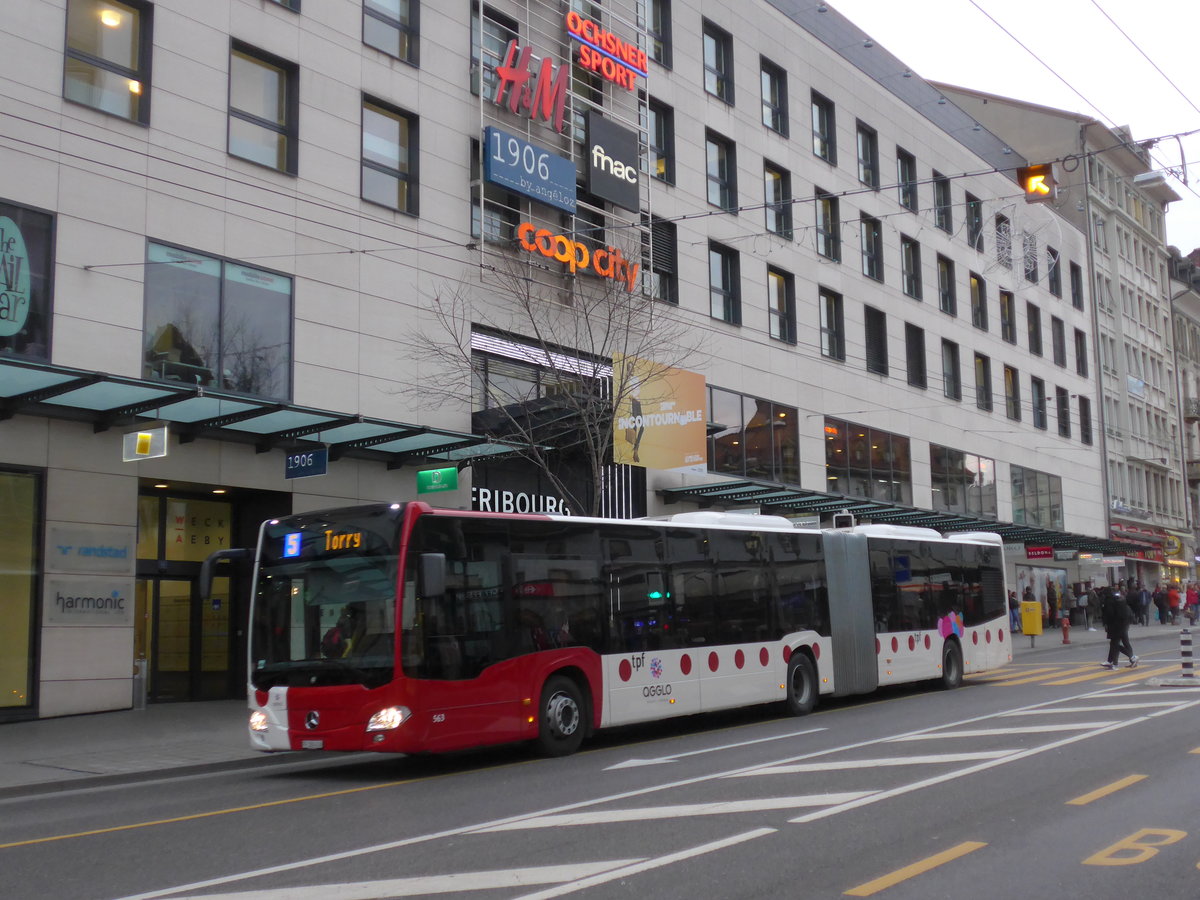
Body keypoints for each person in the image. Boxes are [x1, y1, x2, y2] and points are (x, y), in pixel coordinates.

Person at [1101, 587, 1137, 669]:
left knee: (1115, 644)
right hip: (1122, 624)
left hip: (1115, 626)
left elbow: (1110, 614)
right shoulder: (1118, 600)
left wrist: (1106, 623)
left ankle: (1130, 658)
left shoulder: (1109, 601)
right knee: (1119, 643)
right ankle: (1112, 662)